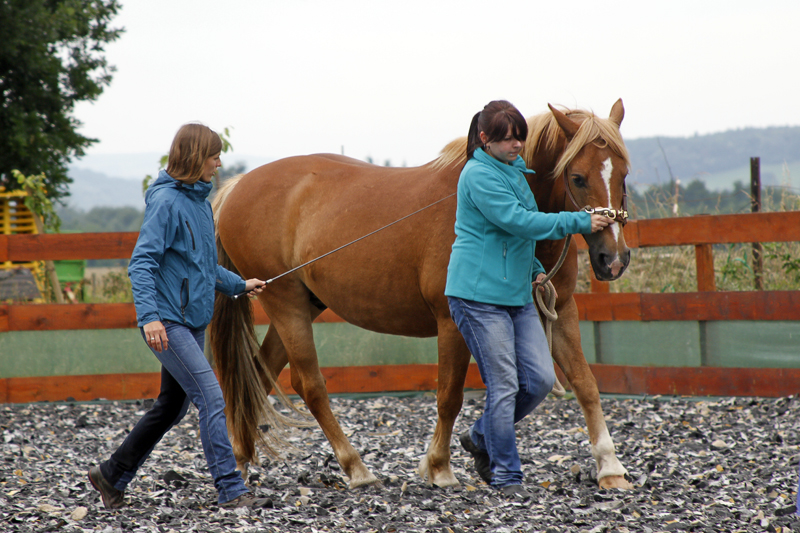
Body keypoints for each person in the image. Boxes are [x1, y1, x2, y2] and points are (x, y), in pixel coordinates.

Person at [88, 123, 268, 509]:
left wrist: (240, 284)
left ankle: (112, 474)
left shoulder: (200, 202)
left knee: (172, 405)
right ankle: (230, 488)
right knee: (211, 397)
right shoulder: (166, 202)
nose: (219, 164)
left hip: (193, 321)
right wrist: (150, 317)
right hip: (167, 321)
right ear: (194, 157)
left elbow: (203, 264)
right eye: (213, 156)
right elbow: (141, 263)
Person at [445, 101, 613, 499]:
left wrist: (536, 266)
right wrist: (581, 221)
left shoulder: (515, 172)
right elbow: (518, 222)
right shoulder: (478, 175)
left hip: (515, 290)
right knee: (504, 385)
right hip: (477, 296)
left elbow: (515, 236)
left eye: (519, 136)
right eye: (506, 138)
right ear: (485, 139)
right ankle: (506, 476)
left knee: (538, 381)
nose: (516, 144)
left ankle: (481, 433)